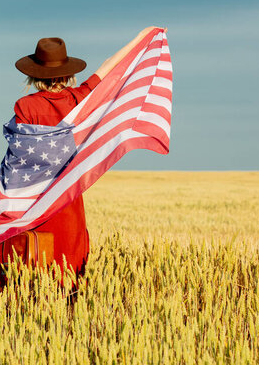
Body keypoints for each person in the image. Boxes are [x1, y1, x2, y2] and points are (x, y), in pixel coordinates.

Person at [12, 27, 162, 284]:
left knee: (35, 250)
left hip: (35, 193)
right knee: (69, 247)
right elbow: (108, 68)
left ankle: (32, 294)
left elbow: (20, 154)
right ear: (69, 73)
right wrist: (143, 37)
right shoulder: (81, 99)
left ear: (33, 73)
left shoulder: (25, 105)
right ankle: (69, 297)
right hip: (68, 190)